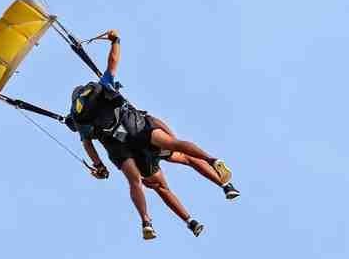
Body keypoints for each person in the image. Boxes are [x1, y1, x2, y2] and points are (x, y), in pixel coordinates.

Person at [65, 30, 239, 241]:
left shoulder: (79, 117)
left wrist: (99, 165)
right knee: (179, 149)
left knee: (144, 184)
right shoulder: (102, 87)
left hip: (122, 150)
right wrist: (116, 41)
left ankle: (152, 221)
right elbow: (113, 61)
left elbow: (88, 145)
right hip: (138, 129)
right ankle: (217, 169)